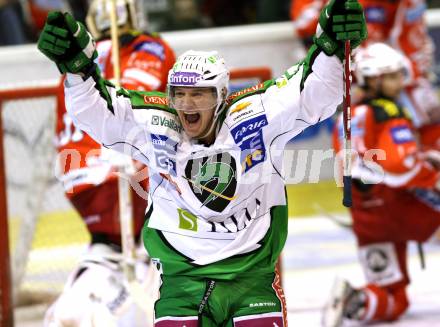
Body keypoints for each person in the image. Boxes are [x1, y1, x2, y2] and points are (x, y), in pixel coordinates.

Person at [37, 1, 367, 325]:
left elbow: (313, 91)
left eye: (199, 94)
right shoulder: (155, 124)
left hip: (249, 278)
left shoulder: (257, 115)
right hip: (183, 284)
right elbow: (99, 113)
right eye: (178, 93)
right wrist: (77, 68)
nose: (186, 103)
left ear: (222, 95)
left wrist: (331, 48)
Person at [44, 0, 176, 326]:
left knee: (110, 247)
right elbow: (152, 103)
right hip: (126, 176)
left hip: (82, 184)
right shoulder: (152, 48)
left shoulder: (77, 61)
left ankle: (99, 287)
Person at [324, 42, 440, 326]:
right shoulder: (387, 112)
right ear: (371, 79)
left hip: (366, 218)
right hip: (397, 206)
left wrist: (423, 157)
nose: (400, 82)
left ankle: (357, 301)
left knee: (393, 298)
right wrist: (434, 176)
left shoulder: (346, 116)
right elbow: (400, 168)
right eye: (391, 76)